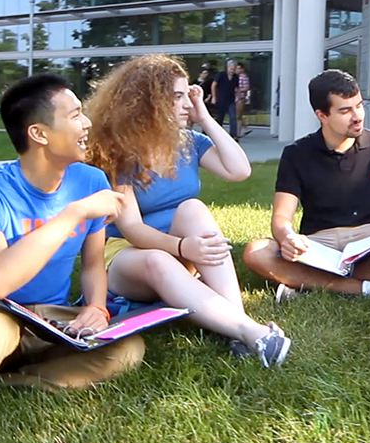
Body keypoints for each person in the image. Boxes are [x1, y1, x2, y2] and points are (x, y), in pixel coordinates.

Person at [0, 74, 145, 443]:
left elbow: (94, 265)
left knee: (128, 348)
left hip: (49, 322)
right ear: (39, 133)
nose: (87, 125)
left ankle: (5, 382)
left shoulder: (90, 179)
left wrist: (95, 308)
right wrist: (72, 214)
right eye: (76, 114)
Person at [84, 54, 291, 366]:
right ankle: (252, 332)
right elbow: (132, 229)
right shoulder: (119, 153)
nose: (187, 103)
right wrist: (182, 246)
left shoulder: (187, 142)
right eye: (177, 97)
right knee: (156, 259)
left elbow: (239, 171)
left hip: (183, 250)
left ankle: (237, 326)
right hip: (130, 256)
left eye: (186, 96)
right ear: (149, 103)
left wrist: (206, 118)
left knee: (193, 207)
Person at [243, 69, 370, 300]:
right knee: (255, 252)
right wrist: (287, 237)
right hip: (318, 242)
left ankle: (306, 282)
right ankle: (366, 287)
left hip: (369, 240)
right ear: (322, 115)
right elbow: (281, 218)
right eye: (345, 110)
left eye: (359, 105)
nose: (357, 116)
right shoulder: (297, 153)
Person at [210, 59, 238, 138]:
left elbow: (236, 87)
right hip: (220, 99)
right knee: (219, 118)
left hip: (230, 99)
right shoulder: (221, 75)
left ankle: (233, 135)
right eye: (231, 69)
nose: (232, 71)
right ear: (227, 67)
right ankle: (217, 134)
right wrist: (214, 97)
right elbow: (213, 85)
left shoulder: (236, 77)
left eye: (234, 69)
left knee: (233, 117)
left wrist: (237, 95)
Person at [234, 62, 250, 137]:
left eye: (239, 68)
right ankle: (245, 126)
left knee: (238, 115)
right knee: (237, 114)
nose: (237, 70)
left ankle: (238, 132)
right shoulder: (235, 77)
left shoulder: (243, 77)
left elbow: (246, 88)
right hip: (235, 97)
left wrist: (238, 90)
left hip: (240, 97)